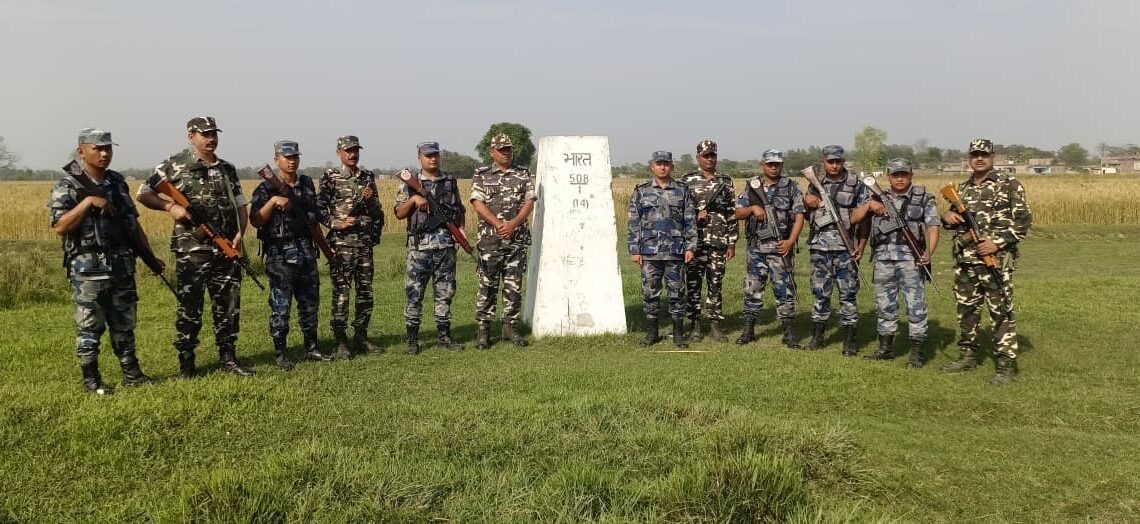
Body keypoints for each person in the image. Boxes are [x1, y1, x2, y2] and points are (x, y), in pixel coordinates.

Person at [137, 116, 254, 377]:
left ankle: (228, 358)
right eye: (204, 134)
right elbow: (143, 193)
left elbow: (240, 205)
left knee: (228, 305)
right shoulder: (175, 164)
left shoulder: (227, 169)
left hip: (225, 248)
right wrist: (170, 206)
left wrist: (239, 234)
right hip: (193, 250)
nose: (210, 138)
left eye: (213, 133)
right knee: (190, 306)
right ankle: (187, 363)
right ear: (191, 136)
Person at [49, 128, 154, 394]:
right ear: (81, 151)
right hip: (88, 268)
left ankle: (132, 373)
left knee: (125, 322)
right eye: (97, 148)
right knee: (89, 325)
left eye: (108, 148)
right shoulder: (67, 185)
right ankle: (92, 380)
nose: (105, 153)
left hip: (121, 262)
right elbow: (60, 227)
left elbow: (132, 223)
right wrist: (87, 204)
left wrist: (149, 256)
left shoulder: (118, 183)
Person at [940, 139, 1032, 385]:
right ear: (970, 158)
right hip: (966, 260)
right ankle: (967, 355)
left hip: (995, 260)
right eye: (975, 155)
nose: (979, 158)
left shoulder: (1009, 184)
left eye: (984, 154)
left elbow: (1023, 221)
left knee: (1001, 311)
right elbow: (953, 218)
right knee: (967, 310)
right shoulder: (962, 188)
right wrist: (947, 217)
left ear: (993, 157)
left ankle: (1004, 363)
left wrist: (998, 242)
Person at [250, 141, 332, 370]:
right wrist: (273, 202)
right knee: (281, 305)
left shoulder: (306, 185)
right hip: (281, 256)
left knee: (310, 304)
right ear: (276, 159)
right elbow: (255, 220)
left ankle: (312, 347)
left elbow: (313, 220)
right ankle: (280, 352)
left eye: (295, 156)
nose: (292, 160)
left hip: (306, 252)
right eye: (286, 157)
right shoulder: (265, 188)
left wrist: (326, 250)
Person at [802, 145, 882, 355]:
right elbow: (807, 206)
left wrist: (861, 246)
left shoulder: (856, 183)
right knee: (820, 294)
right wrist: (807, 200)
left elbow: (865, 219)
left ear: (843, 161)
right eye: (830, 161)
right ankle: (817, 337)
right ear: (823, 163)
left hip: (846, 248)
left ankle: (849, 341)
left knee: (848, 295)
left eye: (838, 161)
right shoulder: (815, 182)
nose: (835, 165)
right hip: (819, 247)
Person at [863, 158, 939, 367]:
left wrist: (929, 253)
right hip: (883, 260)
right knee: (884, 304)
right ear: (888, 176)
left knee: (915, 305)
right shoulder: (876, 195)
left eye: (903, 174)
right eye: (895, 174)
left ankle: (916, 353)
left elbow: (933, 228)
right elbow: (854, 219)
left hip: (911, 260)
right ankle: (885, 348)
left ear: (911, 176)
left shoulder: (924, 198)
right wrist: (870, 204)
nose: (899, 178)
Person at [394, 142, 467, 355]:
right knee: (414, 293)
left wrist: (460, 232)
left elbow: (459, 210)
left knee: (445, 292)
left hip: (445, 246)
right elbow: (398, 213)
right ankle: (412, 339)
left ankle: (444, 336)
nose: (432, 159)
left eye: (435, 155)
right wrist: (415, 199)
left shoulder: (450, 181)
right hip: (419, 249)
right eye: (428, 156)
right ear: (419, 158)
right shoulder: (410, 183)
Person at [318, 135, 384, 358]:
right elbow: (320, 210)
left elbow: (377, 211)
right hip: (341, 245)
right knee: (342, 294)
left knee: (366, 293)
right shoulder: (330, 177)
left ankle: (361, 336)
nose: (352, 154)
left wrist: (369, 201)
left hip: (364, 244)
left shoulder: (367, 177)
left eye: (355, 150)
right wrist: (339, 222)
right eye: (348, 150)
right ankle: (340, 341)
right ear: (339, 153)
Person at [469, 133, 537, 349]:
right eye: (501, 150)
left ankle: (510, 328)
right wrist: (498, 224)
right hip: (490, 241)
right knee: (487, 285)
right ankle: (484, 331)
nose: (506, 153)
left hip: (516, 241)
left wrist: (513, 224)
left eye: (508, 149)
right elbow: (477, 203)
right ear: (492, 152)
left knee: (513, 286)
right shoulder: (482, 175)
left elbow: (529, 202)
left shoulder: (523, 174)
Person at [733, 149, 805, 347]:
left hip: (782, 249)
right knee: (752, 289)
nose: (774, 167)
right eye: (770, 164)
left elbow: (799, 216)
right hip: (756, 250)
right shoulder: (752, 186)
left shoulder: (791, 187)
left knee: (785, 290)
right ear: (762, 165)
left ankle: (789, 333)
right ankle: (748, 331)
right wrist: (752, 209)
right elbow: (737, 213)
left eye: (777, 164)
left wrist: (790, 241)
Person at [627, 151, 697, 348]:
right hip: (650, 251)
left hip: (676, 250)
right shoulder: (642, 191)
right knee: (650, 293)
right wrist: (634, 249)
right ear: (652, 166)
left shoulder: (682, 190)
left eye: (666, 163)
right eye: (659, 163)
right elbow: (633, 222)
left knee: (677, 293)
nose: (663, 167)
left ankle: (678, 334)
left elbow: (690, 221)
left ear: (672, 166)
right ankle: (652, 333)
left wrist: (691, 246)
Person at [680, 139, 737, 342]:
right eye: (706, 156)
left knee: (715, 283)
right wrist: (696, 215)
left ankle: (715, 323)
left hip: (719, 241)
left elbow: (732, 213)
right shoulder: (687, 181)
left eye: (712, 155)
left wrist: (732, 242)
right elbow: (681, 212)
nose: (709, 159)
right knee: (694, 283)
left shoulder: (725, 181)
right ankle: (695, 324)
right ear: (698, 157)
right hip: (696, 242)